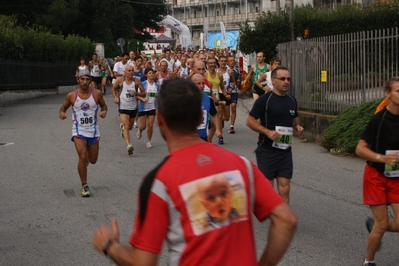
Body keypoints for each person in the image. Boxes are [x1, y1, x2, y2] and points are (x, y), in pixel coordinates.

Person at [92, 78, 297, 266]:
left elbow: (142, 261)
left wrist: (109, 245)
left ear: (160, 118)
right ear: (201, 117)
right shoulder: (241, 165)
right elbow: (286, 220)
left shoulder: (158, 183)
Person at [355, 77, 399, 266]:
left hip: (396, 176)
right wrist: (382, 158)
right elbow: (360, 149)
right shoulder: (378, 120)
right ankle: (369, 262)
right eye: (398, 90)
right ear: (388, 94)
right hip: (376, 176)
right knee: (381, 225)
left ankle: (374, 225)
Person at [246, 67, 304, 204]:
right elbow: (250, 121)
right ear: (273, 80)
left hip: (285, 151)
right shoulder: (265, 100)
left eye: (288, 79)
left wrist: (297, 126)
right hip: (267, 151)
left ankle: (281, 221)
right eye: (282, 79)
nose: (286, 82)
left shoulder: (292, 100)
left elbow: (295, 116)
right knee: (269, 193)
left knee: (285, 190)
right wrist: (267, 131)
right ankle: (276, 216)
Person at [59, 69, 108, 197]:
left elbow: (104, 106)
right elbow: (63, 107)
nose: (85, 82)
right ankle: (84, 186)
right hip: (78, 130)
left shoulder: (96, 94)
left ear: (90, 80)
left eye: (87, 79)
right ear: (78, 80)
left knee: (93, 160)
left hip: (93, 130)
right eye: (82, 79)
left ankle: (86, 160)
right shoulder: (72, 96)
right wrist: (62, 113)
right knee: (82, 156)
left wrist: (104, 112)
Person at [111, 65, 146, 155]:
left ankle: (123, 129)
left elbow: (144, 93)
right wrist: (115, 97)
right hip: (123, 107)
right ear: (125, 72)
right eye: (129, 71)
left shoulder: (136, 81)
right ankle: (128, 146)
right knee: (127, 125)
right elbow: (113, 89)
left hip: (133, 108)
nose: (131, 72)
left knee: (129, 127)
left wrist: (136, 93)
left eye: (132, 70)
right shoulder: (120, 81)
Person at [191, 73, 220, 141]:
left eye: (203, 83)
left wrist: (218, 129)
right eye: (198, 84)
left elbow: (214, 115)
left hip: (203, 137)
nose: (201, 86)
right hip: (189, 139)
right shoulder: (185, 100)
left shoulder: (209, 99)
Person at [136, 68, 159, 148]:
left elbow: (157, 95)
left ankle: (148, 142)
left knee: (150, 125)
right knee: (143, 126)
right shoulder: (143, 84)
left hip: (152, 107)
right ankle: (140, 129)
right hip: (143, 107)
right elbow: (137, 95)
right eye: (149, 73)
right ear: (146, 75)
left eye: (152, 73)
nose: (151, 74)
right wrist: (143, 99)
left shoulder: (156, 85)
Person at [227, 55, 241, 134]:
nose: (232, 62)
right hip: (225, 92)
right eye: (230, 60)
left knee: (233, 107)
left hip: (234, 91)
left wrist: (239, 79)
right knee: (224, 112)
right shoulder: (224, 70)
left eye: (233, 60)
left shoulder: (236, 70)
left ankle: (232, 126)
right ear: (228, 62)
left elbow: (239, 77)